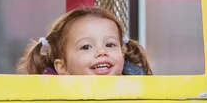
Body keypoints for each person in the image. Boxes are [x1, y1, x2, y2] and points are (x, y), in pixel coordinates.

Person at [17, 6, 152, 76]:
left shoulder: (142, 92)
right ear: (63, 67)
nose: (102, 52)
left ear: (122, 58)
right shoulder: (48, 100)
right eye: (86, 47)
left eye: (110, 44)